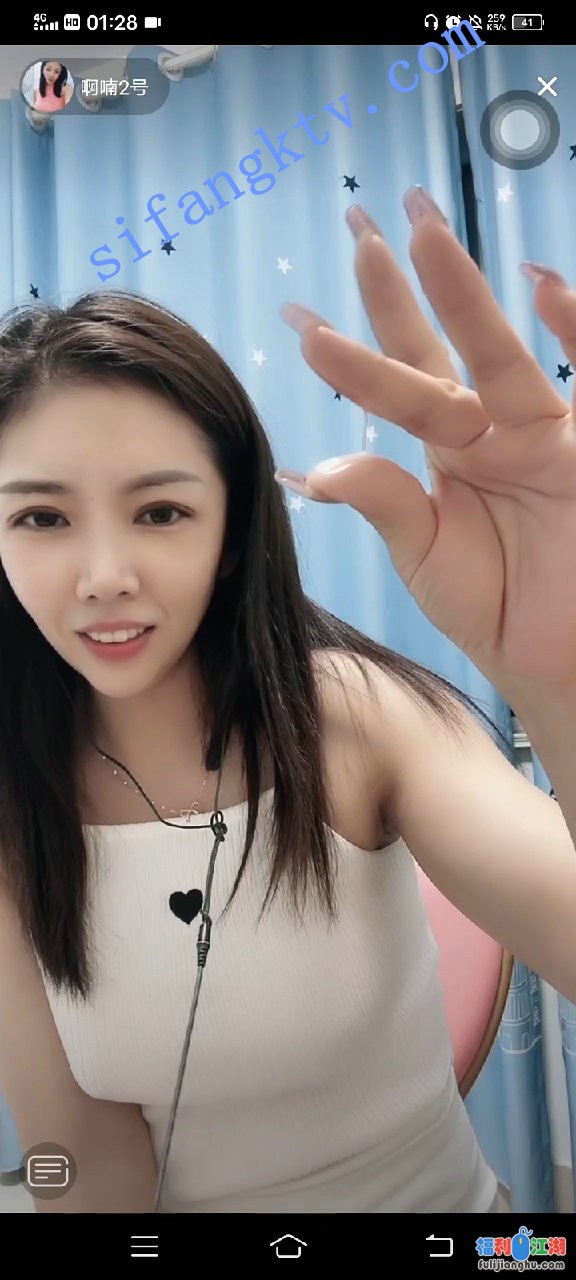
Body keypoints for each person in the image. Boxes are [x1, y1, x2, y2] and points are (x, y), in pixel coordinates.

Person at [0, 185, 575, 1215]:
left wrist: (557, 680)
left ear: (233, 531)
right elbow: (84, 1156)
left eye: (161, 510)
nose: (104, 576)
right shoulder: (13, 790)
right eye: (41, 517)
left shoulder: (353, 718)